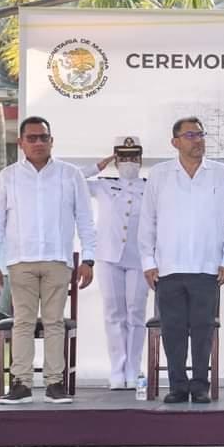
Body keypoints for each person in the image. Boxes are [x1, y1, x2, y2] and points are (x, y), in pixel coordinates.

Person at [0, 116, 97, 404]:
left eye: (43, 137)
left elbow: (85, 219)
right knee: (22, 321)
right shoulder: (8, 177)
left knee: (54, 322)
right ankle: (21, 384)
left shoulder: (70, 175)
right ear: (21, 142)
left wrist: (89, 259)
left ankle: (54, 384)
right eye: (31, 138)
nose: (38, 143)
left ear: (51, 141)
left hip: (57, 261)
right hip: (20, 261)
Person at [139, 117, 224, 404]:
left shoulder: (220, 174)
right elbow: (148, 220)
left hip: (207, 266)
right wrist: (148, 260)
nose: (197, 140)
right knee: (172, 330)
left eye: (200, 135)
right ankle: (177, 386)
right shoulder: (160, 174)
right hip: (168, 266)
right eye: (190, 135)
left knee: (202, 328)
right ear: (175, 142)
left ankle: (199, 385)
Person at [79, 136, 148, 390]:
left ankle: (134, 368)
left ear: (140, 159)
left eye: (133, 156)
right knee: (114, 314)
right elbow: (73, 180)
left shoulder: (150, 186)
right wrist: (99, 165)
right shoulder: (104, 185)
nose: (128, 161)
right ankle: (117, 369)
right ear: (116, 160)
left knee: (136, 313)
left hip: (140, 258)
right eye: (123, 156)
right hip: (109, 256)